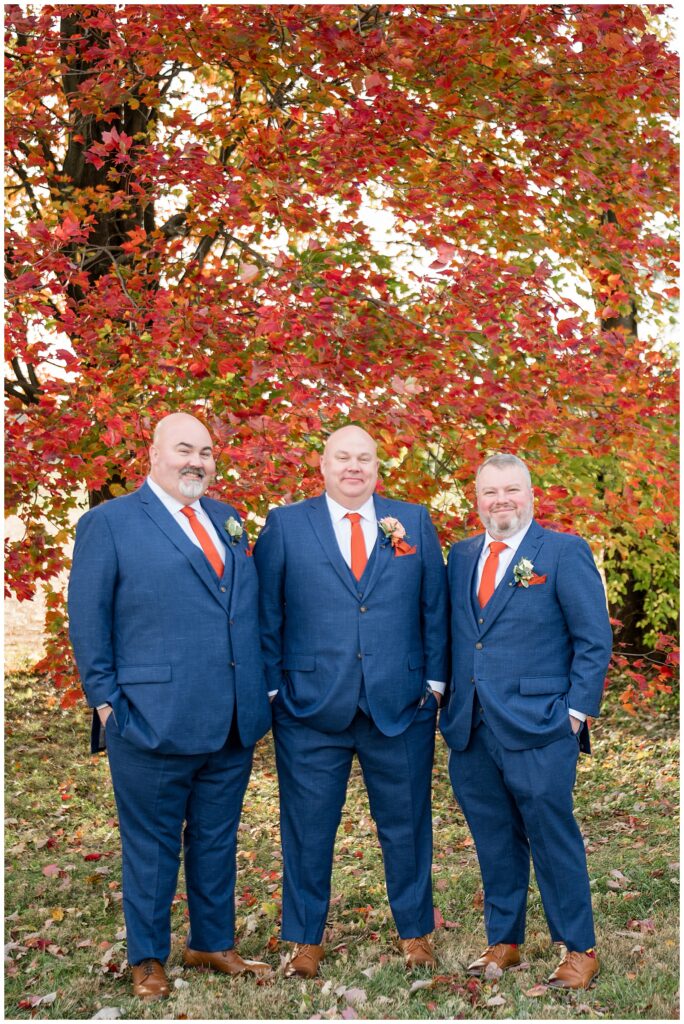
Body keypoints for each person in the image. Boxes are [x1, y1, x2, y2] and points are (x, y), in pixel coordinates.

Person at [68, 412, 272, 1000]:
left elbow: (241, 611)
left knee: (216, 836)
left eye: (206, 452)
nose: (197, 461)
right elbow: (88, 621)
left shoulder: (229, 520)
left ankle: (211, 941)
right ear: (153, 454)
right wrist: (107, 705)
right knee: (151, 844)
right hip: (148, 718)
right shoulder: (108, 524)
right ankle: (148, 957)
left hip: (231, 716)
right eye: (184, 449)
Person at [253, 424, 448, 978]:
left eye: (364, 458)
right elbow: (267, 614)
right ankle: (306, 940)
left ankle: (415, 933)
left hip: (401, 706)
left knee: (407, 825)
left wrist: (433, 686)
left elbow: (434, 607)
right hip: (310, 709)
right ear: (323, 464)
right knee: (307, 826)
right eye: (343, 457)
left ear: (377, 468)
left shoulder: (411, 521)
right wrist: (275, 691)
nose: (353, 467)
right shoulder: (287, 524)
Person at [439, 453, 612, 989]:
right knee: (493, 837)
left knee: (551, 834)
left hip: (542, 724)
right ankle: (505, 940)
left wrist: (575, 714)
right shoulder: (462, 556)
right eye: (490, 492)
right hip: (471, 726)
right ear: (477, 498)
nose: (501, 501)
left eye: (511, 490)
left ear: (530, 494)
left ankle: (578, 947)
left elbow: (593, 639)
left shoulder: (562, 552)